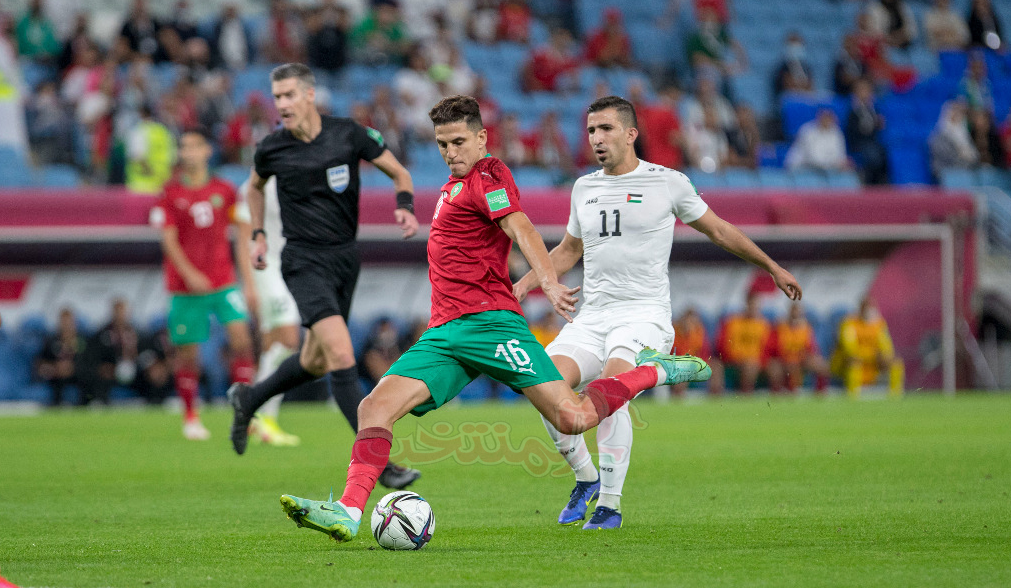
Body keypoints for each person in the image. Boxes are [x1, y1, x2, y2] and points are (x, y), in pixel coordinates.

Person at [276, 95, 777, 543]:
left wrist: (548, 282)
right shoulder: (456, 186)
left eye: (458, 142)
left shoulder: (489, 176)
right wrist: (532, 281)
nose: (450, 152)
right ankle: (347, 512)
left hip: (492, 326)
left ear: (481, 138)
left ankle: (657, 371)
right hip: (446, 333)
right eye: (441, 144)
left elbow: (521, 228)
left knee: (572, 416)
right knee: (373, 409)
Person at [509, 95, 802, 530]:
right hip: (593, 315)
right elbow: (569, 251)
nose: (596, 138)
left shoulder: (668, 182)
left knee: (609, 390)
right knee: (542, 385)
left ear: (631, 133)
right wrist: (522, 286)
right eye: (591, 130)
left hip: (643, 315)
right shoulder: (583, 187)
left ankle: (610, 505)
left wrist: (772, 267)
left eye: (605, 129)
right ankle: (586, 478)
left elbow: (719, 230)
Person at [227, 63, 422, 489]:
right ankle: (379, 461)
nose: (282, 105)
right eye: (277, 97)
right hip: (302, 261)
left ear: (310, 95)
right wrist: (259, 233)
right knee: (340, 354)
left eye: (289, 95)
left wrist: (404, 205)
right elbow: (253, 188)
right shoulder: (272, 148)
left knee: (316, 359)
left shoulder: (348, 134)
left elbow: (400, 173)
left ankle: (249, 398)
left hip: (345, 260)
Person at [151, 127, 257, 440]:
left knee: (242, 340)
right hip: (186, 289)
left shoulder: (225, 190)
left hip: (224, 281)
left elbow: (242, 235)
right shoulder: (170, 194)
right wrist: (189, 273)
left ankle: (244, 413)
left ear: (207, 151)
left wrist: (248, 282)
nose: (188, 152)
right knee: (188, 355)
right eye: (183, 147)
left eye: (194, 146)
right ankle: (190, 415)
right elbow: (168, 241)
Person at [235, 175, 303, 447]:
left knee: (271, 346)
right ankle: (260, 413)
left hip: (290, 269)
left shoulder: (303, 175)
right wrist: (248, 284)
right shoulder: (256, 182)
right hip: (265, 268)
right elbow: (243, 236)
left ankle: (257, 417)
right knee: (289, 339)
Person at [831, 296, 903, 397]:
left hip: (872, 362)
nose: (870, 311)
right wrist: (872, 354)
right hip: (848, 363)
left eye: (872, 308)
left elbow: (886, 347)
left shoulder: (879, 324)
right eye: (867, 307)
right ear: (861, 308)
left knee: (895, 362)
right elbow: (850, 349)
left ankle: (895, 396)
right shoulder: (849, 323)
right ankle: (852, 396)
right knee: (854, 362)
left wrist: (883, 356)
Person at [716, 292, 778, 393]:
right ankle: (745, 397)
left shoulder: (764, 325)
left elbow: (770, 349)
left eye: (757, 306)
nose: (754, 308)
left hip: (757, 362)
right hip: (735, 361)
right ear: (746, 304)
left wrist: (758, 360)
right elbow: (723, 346)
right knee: (749, 366)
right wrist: (739, 358)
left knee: (775, 367)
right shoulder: (733, 322)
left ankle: (778, 400)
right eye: (752, 305)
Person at [766, 302, 830, 393]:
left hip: (801, 359)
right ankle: (778, 393)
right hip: (783, 359)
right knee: (776, 368)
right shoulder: (780, 327)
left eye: (798, 312)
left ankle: (820, 393)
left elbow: (811, 349)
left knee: (821, 365)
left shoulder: (806, 328)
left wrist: (805, 356)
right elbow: (772, 348)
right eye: (793, 311)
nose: (795, 314)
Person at [34, 308, 87, 407]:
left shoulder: (82, 340)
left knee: (87, 379)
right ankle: (56, 407)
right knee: (55, 383)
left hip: (77, 374)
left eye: (69, 322)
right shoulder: (51, 340)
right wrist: (55, 367)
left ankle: (85, 407)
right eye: (64, 322)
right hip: (57, 376)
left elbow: (88, 360)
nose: (66, 325)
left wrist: (72, 367)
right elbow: (41, 361)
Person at [846, 79, 888, 185]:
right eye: (862, 90)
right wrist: (871, 126)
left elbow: (878, 126)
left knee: (884, 153)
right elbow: (853, 129)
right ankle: (869, 183)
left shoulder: (873, 108)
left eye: (867, 90)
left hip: (872, 142)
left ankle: (882, 183)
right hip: (858, 142)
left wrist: (878, 124)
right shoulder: (852, 109)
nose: (865, 93)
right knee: (872, 155)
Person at [785, 108, 849, 173]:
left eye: (829, 118)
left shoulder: (837, 133)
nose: (827, 121)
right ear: (819, 118)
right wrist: (835, 163)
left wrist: (841, 162)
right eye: (825, 118)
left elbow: (841, 155)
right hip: (800, 168)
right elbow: (812, 158)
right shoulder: (807, 131)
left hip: (826, 170)